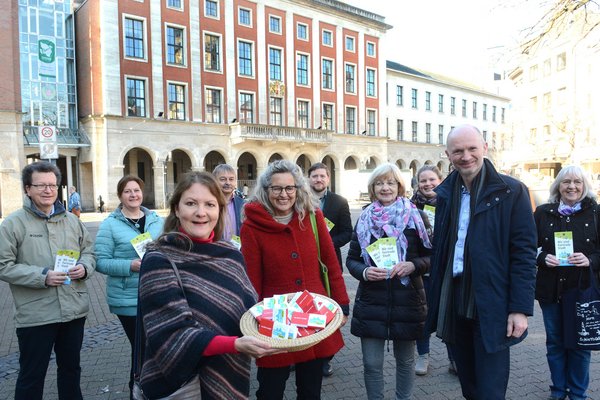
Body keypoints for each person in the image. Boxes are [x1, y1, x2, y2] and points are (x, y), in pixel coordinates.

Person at [136, 171, 280, 399]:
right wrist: (236, 345)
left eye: (210, 204)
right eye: (191, 203)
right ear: (176, 209)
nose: (201, 213)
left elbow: (251, 313)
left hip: (230, 376)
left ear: (220, 210)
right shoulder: (159, 260)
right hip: (182, 386)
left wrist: (288, 320)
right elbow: (171, 335)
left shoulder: (231, 256)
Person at [426, 124, 537, 400]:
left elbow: (524, 254)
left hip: (491, 304)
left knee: (490, 390)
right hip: (455, 300)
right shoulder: (445, 194)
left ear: (485, 148)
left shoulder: (512, 191)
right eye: (458, 151)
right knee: (470, 387)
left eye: (472, 148)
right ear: (447, 154)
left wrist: (520, 309)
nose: (466, 156)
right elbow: (441, 249)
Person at [240, 159, 350, 399]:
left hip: (312, 316)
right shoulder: (252, 227)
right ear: (265, 190)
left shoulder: (312, 216)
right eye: (276, 188)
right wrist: (251, 321)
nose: (284, 194)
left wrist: (342, 304)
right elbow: (251, 279)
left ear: (299, 189)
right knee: (270, 390)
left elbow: (331, 263)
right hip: (274, 321)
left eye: (290, 188)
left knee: (310, 390)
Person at [0, 161, 95, 400]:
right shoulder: (13, 224)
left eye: (52, 185)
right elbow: (3, 266)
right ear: (27, 189)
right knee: (32, 376)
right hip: (36, 315)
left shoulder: (72, 221)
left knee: (71, 371)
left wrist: (84, 267)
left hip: (74, 310)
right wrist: (42, 276)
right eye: (40, 185)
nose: (47, 190)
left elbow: (90, 252)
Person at [346, 162, 432, 400]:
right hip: (372, 301)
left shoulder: (416, 216)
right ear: (373, 188)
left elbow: (432, 256)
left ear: (399, 186)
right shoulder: (364, 218)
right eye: (380, 183)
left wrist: (413, 265)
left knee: (405, 361)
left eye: (390, 182)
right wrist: (364, 272)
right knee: (372, 364)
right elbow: (352, 259)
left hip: (408, 300)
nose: (385, 187)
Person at [534, 165, 600, 400]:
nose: (572, 186)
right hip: (551, 289)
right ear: (558, 186)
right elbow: (527, 246)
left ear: (584, 186)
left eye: (577, 182)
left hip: (582, 290)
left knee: (580, 345)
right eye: (566, 182)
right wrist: (542, 257)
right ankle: (558, 390)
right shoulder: (543, 212)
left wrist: (590, 259)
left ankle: (578, 394)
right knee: (555, 343)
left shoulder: (595, 213)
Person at [94, 175, 163, 398]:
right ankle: (137, 391)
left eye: (136, 190)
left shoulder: (155, 220)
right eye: (127, 191)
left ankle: (150, 390)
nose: (133, 195)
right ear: (120, 196)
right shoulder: (111, 225)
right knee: (142, 349)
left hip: (155, 294)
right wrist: (130, 265)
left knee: (152, 348)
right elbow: (100, 261)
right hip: (127, 297)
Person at [410, 165, 456, 376]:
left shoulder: (451, 202)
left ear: (440, 180)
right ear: (417, 184)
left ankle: (454, 357)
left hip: (447, 268)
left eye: (432, 180)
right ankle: (423, 355)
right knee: (422, 315)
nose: (428, 184)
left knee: (449, 314)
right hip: (422, 270)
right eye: (423, 181)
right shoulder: (410, 207)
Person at [307, 162, 353, 377]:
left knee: (328, 309)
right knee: (306, 307)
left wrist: (327, 244)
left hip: (330, 262)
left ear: (328, 178)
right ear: (309, 179)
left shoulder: (339, 202)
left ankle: (326, 357)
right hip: (304, 263)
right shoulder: (299, 200)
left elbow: (347, 232)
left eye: (322, 176)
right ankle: (302, 351)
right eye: (314, 176)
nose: (318, 180)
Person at [213, 164, 245, 241]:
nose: (228, 183)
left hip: (237, 250)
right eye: (223, 179)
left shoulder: (243, 204)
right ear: (214, 181)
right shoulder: (209, 204)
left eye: (231, 179)